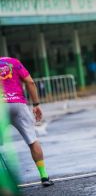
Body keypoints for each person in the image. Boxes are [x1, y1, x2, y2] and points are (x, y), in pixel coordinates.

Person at [0, 56, 54, 187]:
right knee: (32, 140)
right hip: (19, 105)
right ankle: (44, 176)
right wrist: (36, 104)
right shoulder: (14, 62)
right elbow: (30, 82)